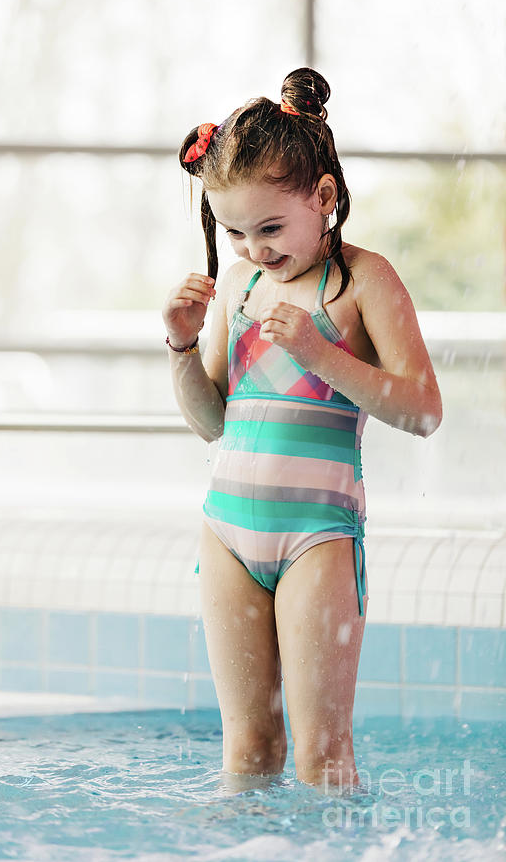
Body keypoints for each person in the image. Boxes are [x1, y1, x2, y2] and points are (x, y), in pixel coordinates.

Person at [162, 68, 442, 789]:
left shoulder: (362, 281)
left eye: (270, 228)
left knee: (322, 754)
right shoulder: (242, 286)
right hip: (227, 531)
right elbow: (210, 424)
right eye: (234, 232)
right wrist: (182, 346)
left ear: (322, 199)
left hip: (318, 535)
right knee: (248, 749)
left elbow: (423, 409)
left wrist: (322, 354)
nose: (254, 248)